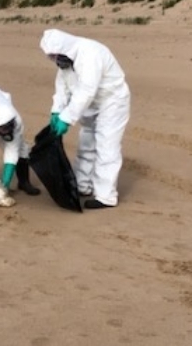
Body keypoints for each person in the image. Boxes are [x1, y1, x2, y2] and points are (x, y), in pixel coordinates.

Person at [40, 28, 132, 210]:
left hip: (111, 101)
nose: (55, 60)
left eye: (56, 55)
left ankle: (106, 196)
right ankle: (82, 185)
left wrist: (66, 118)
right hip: (90, 105)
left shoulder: (91, 53)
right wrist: (56, 111)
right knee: (86, 143)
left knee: (107, 146)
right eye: (51, 57)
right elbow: (62, 87)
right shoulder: (66, 62)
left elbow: (87, 90)